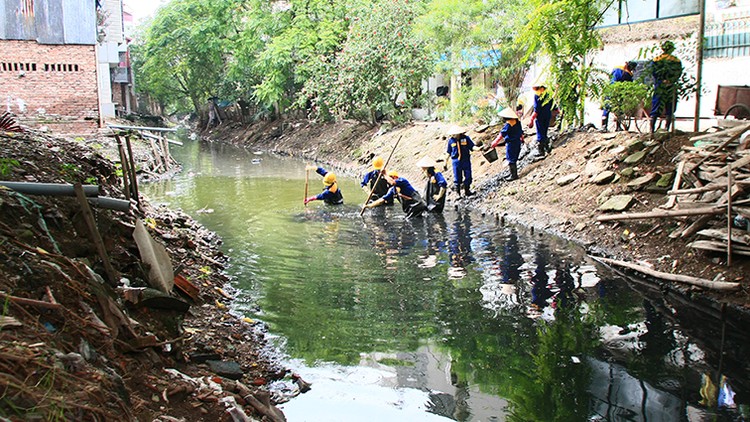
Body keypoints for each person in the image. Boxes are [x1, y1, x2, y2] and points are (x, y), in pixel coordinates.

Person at [650, 40, 683, 133]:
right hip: (671, 86)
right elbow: (678, 73)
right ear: (671, 49)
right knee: (670, 107)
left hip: (660, 86)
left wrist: (661, 80)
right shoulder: (676, 61)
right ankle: (666, 129)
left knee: (656, 107)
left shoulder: (656, 59)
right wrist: (670, 81)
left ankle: (651, 130)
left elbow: (654, 73)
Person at [490, 107, 525, 181]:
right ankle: (512, 173)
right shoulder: (517, 122)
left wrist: (495, 142)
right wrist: (522, 138)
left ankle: (514, 175)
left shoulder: (509, 124)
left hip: (511, 143)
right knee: (513, 157)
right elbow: (520, 132)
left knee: (511, 158)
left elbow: (502, 134)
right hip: (517, 142)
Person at [601, 61, 637, 131]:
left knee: (607, 107)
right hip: (619, 92)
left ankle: (604, 127)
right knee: (619, 108)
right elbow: (629, 86)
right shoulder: (628, 75)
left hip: (610, 90)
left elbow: (611, 78)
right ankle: (618, 127)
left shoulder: (616, 68)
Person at [445, 125, 478, 197]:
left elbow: (472, 146)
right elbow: (448, 152)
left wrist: (478, 149)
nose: (454, 135)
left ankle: (467, 190)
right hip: (456, 161)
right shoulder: (451, 141)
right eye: (452, 134)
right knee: (457, 177)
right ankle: (458, 193)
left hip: (465, 160)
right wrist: (445, 162)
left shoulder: (466, 138)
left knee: (468, 175)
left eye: (455, 134)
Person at [528, 81, 554, 159]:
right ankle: (547, 148)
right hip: (548, 114)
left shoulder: (537, 95)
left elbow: (537, 109)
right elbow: (553, 104)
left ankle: (541, 151)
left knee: (540, 131)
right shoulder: (549, 93)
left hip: (540, 116)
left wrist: (531, 119)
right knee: (545, 130)